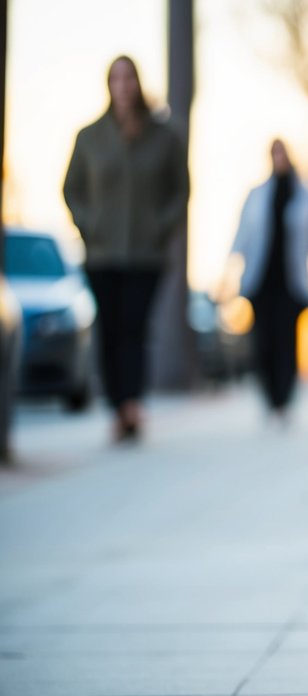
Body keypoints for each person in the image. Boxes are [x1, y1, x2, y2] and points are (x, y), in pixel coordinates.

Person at [63, 55, 189, 442]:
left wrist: (160, 228)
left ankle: (132, 404)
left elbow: (180, 191)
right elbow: (71, 190)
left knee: (134, 327)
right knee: (110, 330)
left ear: (137, 83)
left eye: (128, 78)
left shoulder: (164, 136)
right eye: (116, 78)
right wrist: (89, 225)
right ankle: (117, 405)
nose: (123, 85)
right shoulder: (89, 137)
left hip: (146, 255)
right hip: (101, 254)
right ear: (109, 85)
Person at [228, 139, 308, 422]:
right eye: (274, 153)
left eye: (282, 152)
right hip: (260, 280)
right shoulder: (257, 194)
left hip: (292, 282)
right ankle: (270, 398)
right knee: (263, 341)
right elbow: (242, 235)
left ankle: (285, 399)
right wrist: (229, 272)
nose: (279, 158)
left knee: (287, 341)